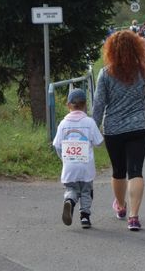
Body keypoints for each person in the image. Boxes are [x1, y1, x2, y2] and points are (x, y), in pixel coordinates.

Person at [93, 30, 145, 231]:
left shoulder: (105, 73)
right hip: (139, 128)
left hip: (114, 130)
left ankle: (120, 206)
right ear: (136, 48)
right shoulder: (143, 71)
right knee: (135, 171)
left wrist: (92, 132)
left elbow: (98, 106)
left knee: (118, 171)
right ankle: (134, 216)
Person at [53, 88, 104, 229]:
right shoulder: (89, 122)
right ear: (85, 105)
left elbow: (57, 145)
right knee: (87, 191)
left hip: (70, 166)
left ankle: (69, 200)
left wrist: (64, 159)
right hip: (86, 166)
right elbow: (99, 142)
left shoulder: (62, 124)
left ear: (68, 105)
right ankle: (85, 217)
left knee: (72, 189)